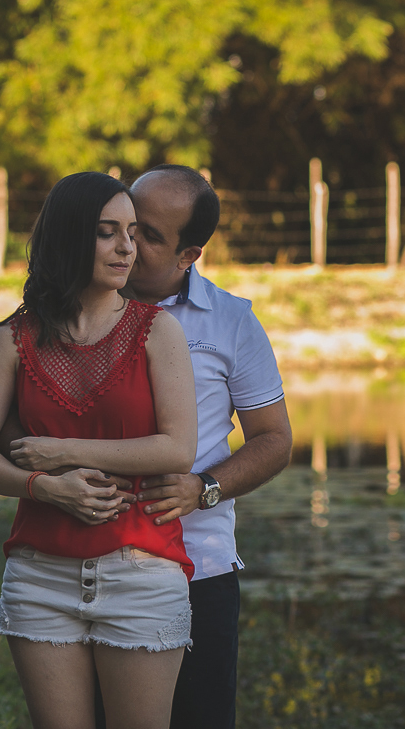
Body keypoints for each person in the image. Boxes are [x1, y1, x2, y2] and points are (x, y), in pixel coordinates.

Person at [0, 171, 199, 729]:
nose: (126, 248)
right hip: (39, 576)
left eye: (133, 233)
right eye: (106, 232)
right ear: (68, 237)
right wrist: (44, 486)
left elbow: (177, 448)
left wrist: (60, 451)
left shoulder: (156, 331)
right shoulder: (14, 337)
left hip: (141, 570)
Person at [124, 164, 293, 729]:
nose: (128, 240)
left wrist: (205, 488)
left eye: (150, 234)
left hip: (198, 570)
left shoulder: (231, 321)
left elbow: (273, 439)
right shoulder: (83, 305)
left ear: (187, 255)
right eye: (127, 220)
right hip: (89, 559)